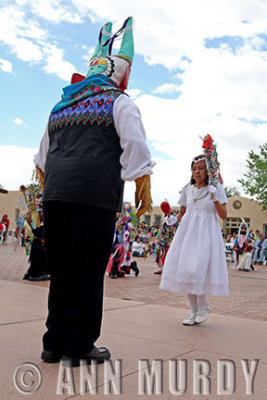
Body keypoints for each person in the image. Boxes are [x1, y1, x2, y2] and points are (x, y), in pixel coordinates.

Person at [34, 17, 155, 365]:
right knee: (86, 271)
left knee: (61, 271)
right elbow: (136, 147)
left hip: (55, 196)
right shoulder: (119, 102)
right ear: (121, 76)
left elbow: (42, 157)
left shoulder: (61, 106)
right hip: (94, 197)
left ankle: (53, 342)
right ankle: (78, 345)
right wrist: (140, 183)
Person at [160, 142, 228, 326]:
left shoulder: (216, 189)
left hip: (206, 234)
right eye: (194, 169)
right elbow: (182, 213)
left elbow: (224, 215)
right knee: (186, 270)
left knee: (198, 269)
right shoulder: (187, 190)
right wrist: (171, 219)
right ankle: (193, 311)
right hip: (187, 234)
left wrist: (215, 199)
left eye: (201, 169)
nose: (197, 172)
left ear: (209, 171)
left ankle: (203, 306)